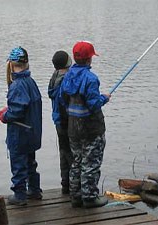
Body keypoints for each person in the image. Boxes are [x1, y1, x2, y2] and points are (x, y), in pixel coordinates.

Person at [59, 41, 111, 208]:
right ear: (89, 59)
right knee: (91, 162)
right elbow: (94, 104)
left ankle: (76, 196)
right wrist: (104, 98)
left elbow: (62, 99)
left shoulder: (67, 76)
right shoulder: (91, 79)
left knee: (77, 161)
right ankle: (89, 198)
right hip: (91, 129)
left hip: (73, 127)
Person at [0, 46, 43, 206]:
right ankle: (34, 191)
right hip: (32, 132)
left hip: (20, 134)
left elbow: (17, 112)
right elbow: (24, 106)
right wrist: (5, 111)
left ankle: (20, 195)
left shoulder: (17, 85)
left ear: (11, 64)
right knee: (30, 163)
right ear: (27, 63)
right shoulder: (30, 82)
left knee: (18, 165)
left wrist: (5, 116)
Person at [48, 50, 73, 195]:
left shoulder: (54, 77)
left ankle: (66, 184)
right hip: (66, 121)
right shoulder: (66, 79)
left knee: (63, 152)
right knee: (71, 154)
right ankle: (74, 187)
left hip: (58, 121)